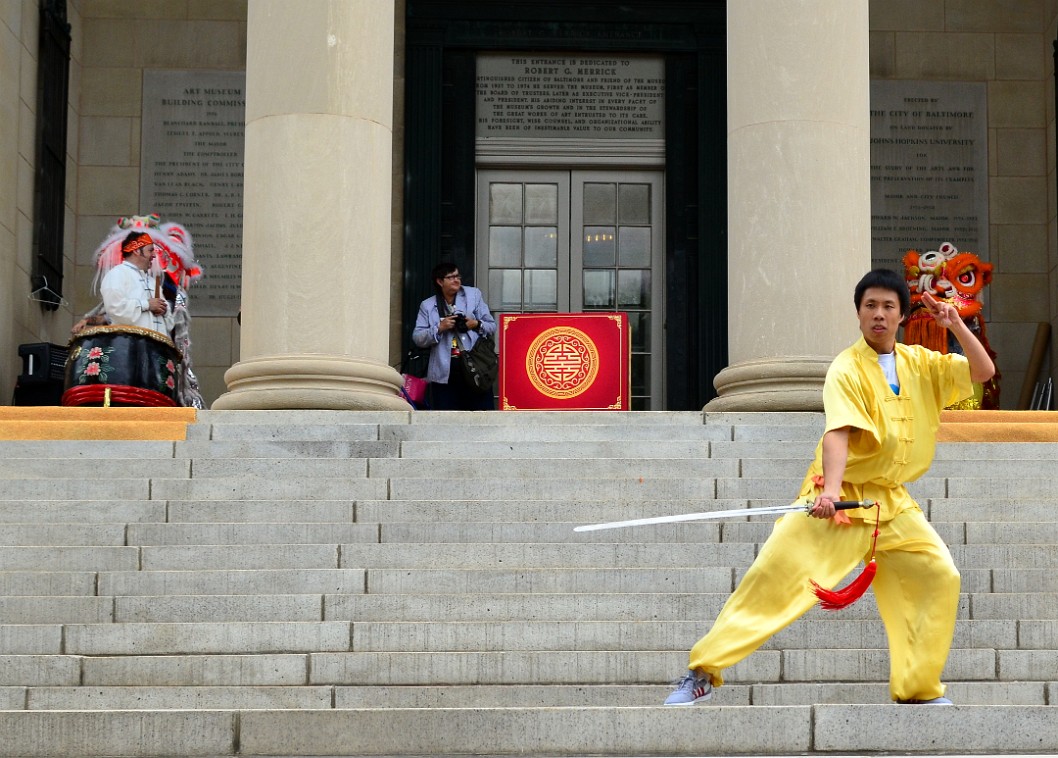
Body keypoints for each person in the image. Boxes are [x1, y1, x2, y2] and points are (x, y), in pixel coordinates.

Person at [664, 268, 995, 707]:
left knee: (938, 574)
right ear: (858, 313)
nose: (878, 314)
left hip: (890, 503)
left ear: (901, 315)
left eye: (888, 306)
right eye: (870, 306)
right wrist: (831, 491)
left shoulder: (920, 362)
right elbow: (838, 432)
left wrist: (954, 324)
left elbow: (983, 370)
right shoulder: (846, 367)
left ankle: (918, 688)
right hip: (838, 499)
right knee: (774, 578)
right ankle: (702, 671)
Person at [412, 262, 497, 410]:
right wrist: (439, 328)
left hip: (474, 367)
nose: (456, 280)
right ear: (440, 281)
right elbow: (418, 338)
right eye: (451, 277)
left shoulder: (473, 295)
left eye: (458, 276)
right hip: (444, 371)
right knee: (446, 416)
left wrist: (474, 324)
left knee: (481, 415)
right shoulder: (427, 305)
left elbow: (491, 326)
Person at [100, 230, 174, 335]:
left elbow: (170, 324)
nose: (154, 255)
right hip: (131, 345)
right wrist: (147, 304)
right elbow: (115, 309)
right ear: (136, 251)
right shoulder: (117, 274)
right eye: (150, 250)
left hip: (157, 347)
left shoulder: (153, 282)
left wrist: (164, 311)